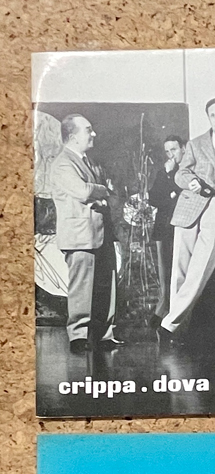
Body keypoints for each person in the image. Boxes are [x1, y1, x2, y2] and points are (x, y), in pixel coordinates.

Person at [158, 96, 215, 343]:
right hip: (190, 204)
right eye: (212, 115)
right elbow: (181, 173)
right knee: (180, 268)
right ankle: (177, 328)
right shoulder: (196, 143)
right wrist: (189, 181)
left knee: (200, 268)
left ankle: (169, 324)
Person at [49, 114, 121, 354]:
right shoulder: (62, 163)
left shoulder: (88, 161)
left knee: (105, 286)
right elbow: (83, 191)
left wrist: (97, 194)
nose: (94, 134)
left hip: (100, 234)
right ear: (73, 136)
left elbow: (97, 194)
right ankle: (78, 337)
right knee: (81, 288)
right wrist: (102, 190)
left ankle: (104, 335)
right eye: (88, 130)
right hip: (80, 237)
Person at [147, 134, 184, 326]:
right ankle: (162, 309)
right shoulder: (163, 172)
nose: (171, 155)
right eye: (167, 151)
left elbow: (180, 197)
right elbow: (153, 198)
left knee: (179, 272)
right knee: (165, 273)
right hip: (163, 228)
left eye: (174, 150)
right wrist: (169, 193)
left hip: (180, 228)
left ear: (183, 149)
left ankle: (173, 313)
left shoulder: (187, 172)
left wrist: (169, 190)